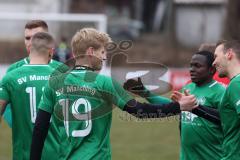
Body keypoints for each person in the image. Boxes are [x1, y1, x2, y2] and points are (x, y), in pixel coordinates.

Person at [30, 28, 196, 160]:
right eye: (102, 52)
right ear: (90, 52)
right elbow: (140, 111)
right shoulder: (105, 83)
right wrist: (178, 106)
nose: (104, 58)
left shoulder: (54, 82)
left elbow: (40, 127)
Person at [124, 51, 225, 160]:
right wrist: (145, 93)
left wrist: (197, 108)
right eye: (191, 65)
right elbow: (172, 106)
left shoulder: (220, 92)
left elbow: (227, 119)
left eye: (197, 66)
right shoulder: (188, 88)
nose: (192, 69)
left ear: (211, 70)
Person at [0, 32, 59, 160]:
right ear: (51, 51)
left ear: (30, 49)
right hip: (57, 155)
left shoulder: (10, 78)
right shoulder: (63, 78)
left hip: (23, 156)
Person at [179, 40, 240, 159]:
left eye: (216, 56)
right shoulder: (235, 83)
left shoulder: (237, 84)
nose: (214, 62)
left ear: (229, 54)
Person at [3, 20, 62, 127]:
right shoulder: (13, 70)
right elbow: (7, 106)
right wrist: (20, 125)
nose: (30, 42)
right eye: (27, 38)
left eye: (36, 37)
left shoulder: (62, 70)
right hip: (25, 140)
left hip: (56, 140)